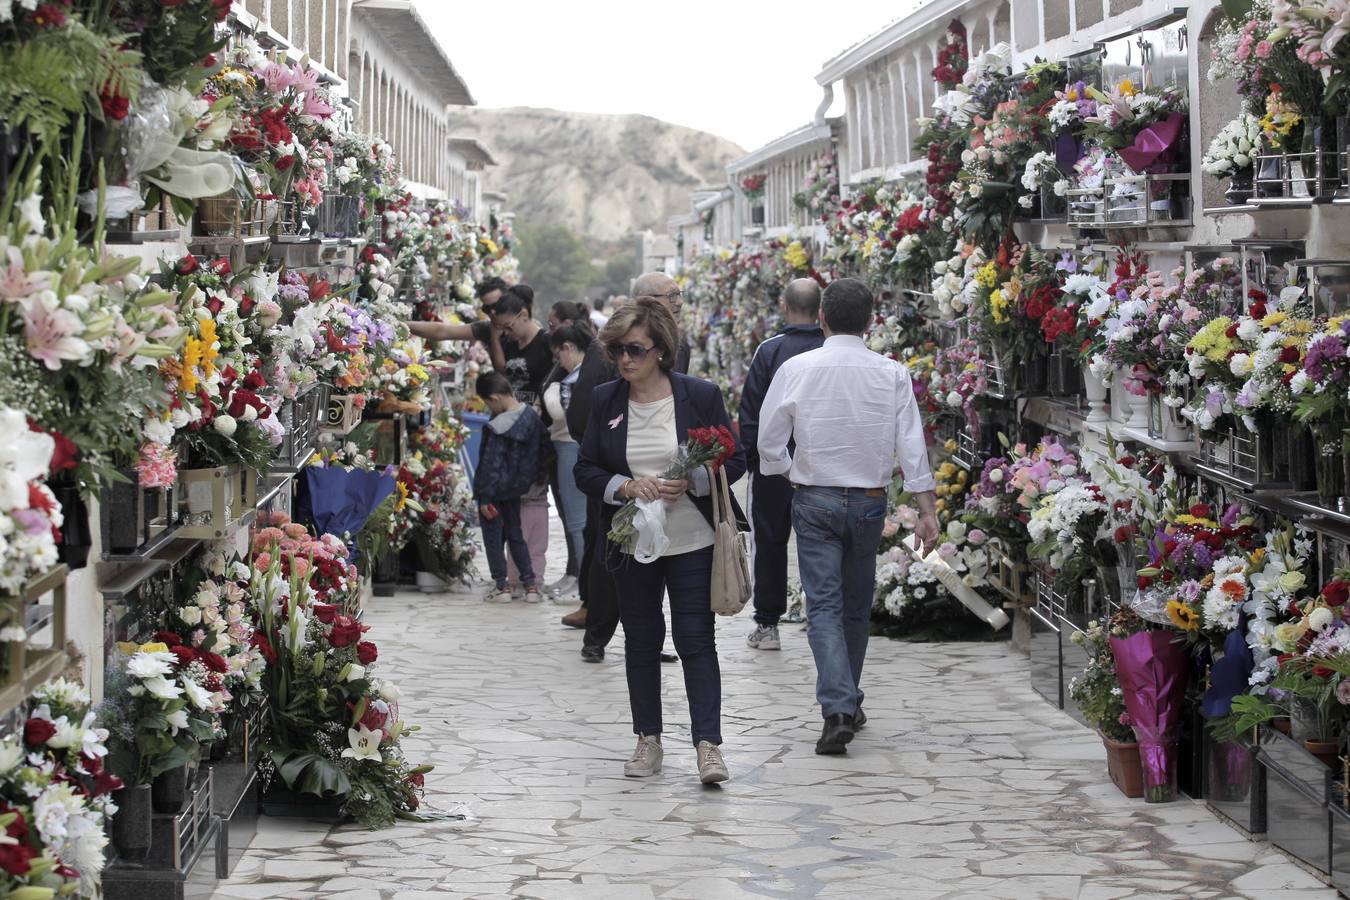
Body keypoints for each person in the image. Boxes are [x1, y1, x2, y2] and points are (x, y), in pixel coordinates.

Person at [756, 277, 938, 756]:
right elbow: (912, 444)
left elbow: (768, 440)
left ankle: (838, 707)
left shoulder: (797, 367)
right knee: (856, 607)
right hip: (868, 501)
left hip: (814, 497)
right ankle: (846, 700)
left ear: (821, 319)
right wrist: (927, 510)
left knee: (824, 608)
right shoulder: (892, 373)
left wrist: (788, 470)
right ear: (871, 321)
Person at [574, 299, 746, 784]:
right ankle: (647, 739)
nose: (625, 360)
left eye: (635, 349)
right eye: (617, 350)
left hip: (693, 542)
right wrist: (624, 487)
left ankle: (708, 746)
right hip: (633, 543)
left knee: (696, 640)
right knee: (642, 642)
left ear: (662, 350)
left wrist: (692, 480)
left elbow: (736, 460)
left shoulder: (699, 395)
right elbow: (585, 468)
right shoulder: (607, 399)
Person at [738, 278, 826, 651]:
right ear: (821, 311)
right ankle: (818, 616)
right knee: (820, 542)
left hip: (775, 466)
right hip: (823, 466)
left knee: (771, 542)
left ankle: (768, 624)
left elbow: (751, 411)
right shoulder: (831, 349)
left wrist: (756, 462)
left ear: (785, 307)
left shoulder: (770, 351)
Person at [472, 371, 552, 604]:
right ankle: (530, 586)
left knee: (494, 539)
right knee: (516, 535)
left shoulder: (497, 426)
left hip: (494, 492)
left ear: (494, 398)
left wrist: (484, 497)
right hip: (517, 489)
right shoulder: (532, 417)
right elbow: (545, 448)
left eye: (488, 402)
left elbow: (490, 464)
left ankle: (502, 586)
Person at [565, 320, 621, 649]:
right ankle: (597, 635)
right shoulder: (602, 369)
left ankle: (647, 637)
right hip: (610, 484)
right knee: (605, 553)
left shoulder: (683, 386)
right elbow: (580, 419)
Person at [542, 324, 592, 610]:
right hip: (573, 449)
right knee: (580, 523)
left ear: (568, 348)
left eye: (558, 356)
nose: (558, 363)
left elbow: (557, 411)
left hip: (571, 448)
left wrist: (551, 387)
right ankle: (583, 583)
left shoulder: (575, 377)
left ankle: (586, 590)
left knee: (578, 523)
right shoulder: (585, 372)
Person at [631, 273, 690, 374]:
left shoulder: (681, 345)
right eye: (671, 295)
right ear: (646, 300)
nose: (680, 302)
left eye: (679, 294)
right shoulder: (624, 344)